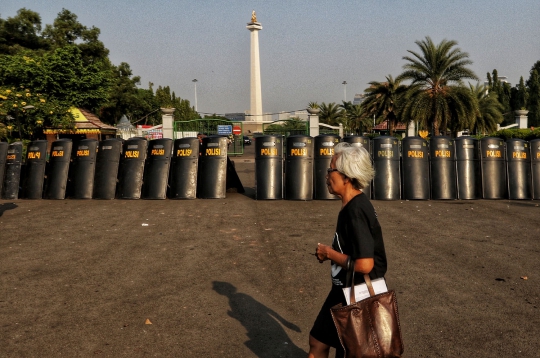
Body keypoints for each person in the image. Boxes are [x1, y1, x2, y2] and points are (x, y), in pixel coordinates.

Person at [308, 142, 387, 358]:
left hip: (356, 295)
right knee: (319, 342)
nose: (326, 176)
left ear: (346, 175)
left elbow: (365, 264)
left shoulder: (356, 211)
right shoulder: (351, 206)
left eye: (330, 169)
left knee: (337, 348)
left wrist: (328, 253)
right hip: (343, 289)